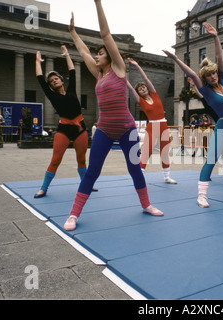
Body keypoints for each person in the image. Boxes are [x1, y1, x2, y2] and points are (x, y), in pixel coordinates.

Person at [64, 3, 162, 231]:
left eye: (100, 54)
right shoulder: (98, 74)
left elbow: (105, 34)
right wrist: (73, 33)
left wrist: (98, 3)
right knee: (92, 171)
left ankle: (146, 205)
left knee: (134, 169)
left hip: (127, 129)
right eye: (96, 54)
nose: (96, 57)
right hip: (105, 130)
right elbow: (83, 52)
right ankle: (74, 214)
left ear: (110, 56)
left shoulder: (119, 69)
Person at [164, 22, 223, 208]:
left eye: (214, 73)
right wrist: (176, 59)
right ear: (204, 78)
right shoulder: (204, 90)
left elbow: (220, 56)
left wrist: (215, 36)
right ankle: (201, 195)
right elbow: (190, 73)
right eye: (209, 75)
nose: (213, 76)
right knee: (211, 160)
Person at [35, 46, 93, 198]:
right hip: (64, 129)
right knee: (55, 160)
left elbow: (73, 71)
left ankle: (85, 185)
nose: (54, 81)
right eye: (51, 81)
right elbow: (40, 79)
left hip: (80, 127)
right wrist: (37, 62)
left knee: (81, 159)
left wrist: (67, 54)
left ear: (61, 80)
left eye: (56, 79)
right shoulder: (52, 95)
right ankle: (43, 188)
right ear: (51, 86)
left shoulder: (72, 90)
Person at [127, 57, 177, 183]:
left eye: (144, 87)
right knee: (146, 151)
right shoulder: (140, 101)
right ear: (139, 92)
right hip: (152, 127)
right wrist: (123, 78)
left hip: (163, 125)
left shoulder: (154, 93)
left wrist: (137, 65)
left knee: (164, 152)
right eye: (140, 89)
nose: (142, 89)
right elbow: (131, 90)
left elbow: (146, 79)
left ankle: (166, 177)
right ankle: (139, 176)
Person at [188, 77, 223, 178]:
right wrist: (194, 86)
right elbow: (202, 97)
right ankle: (207, 173)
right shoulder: (210, 107)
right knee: (214, 153)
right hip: (220, 130)